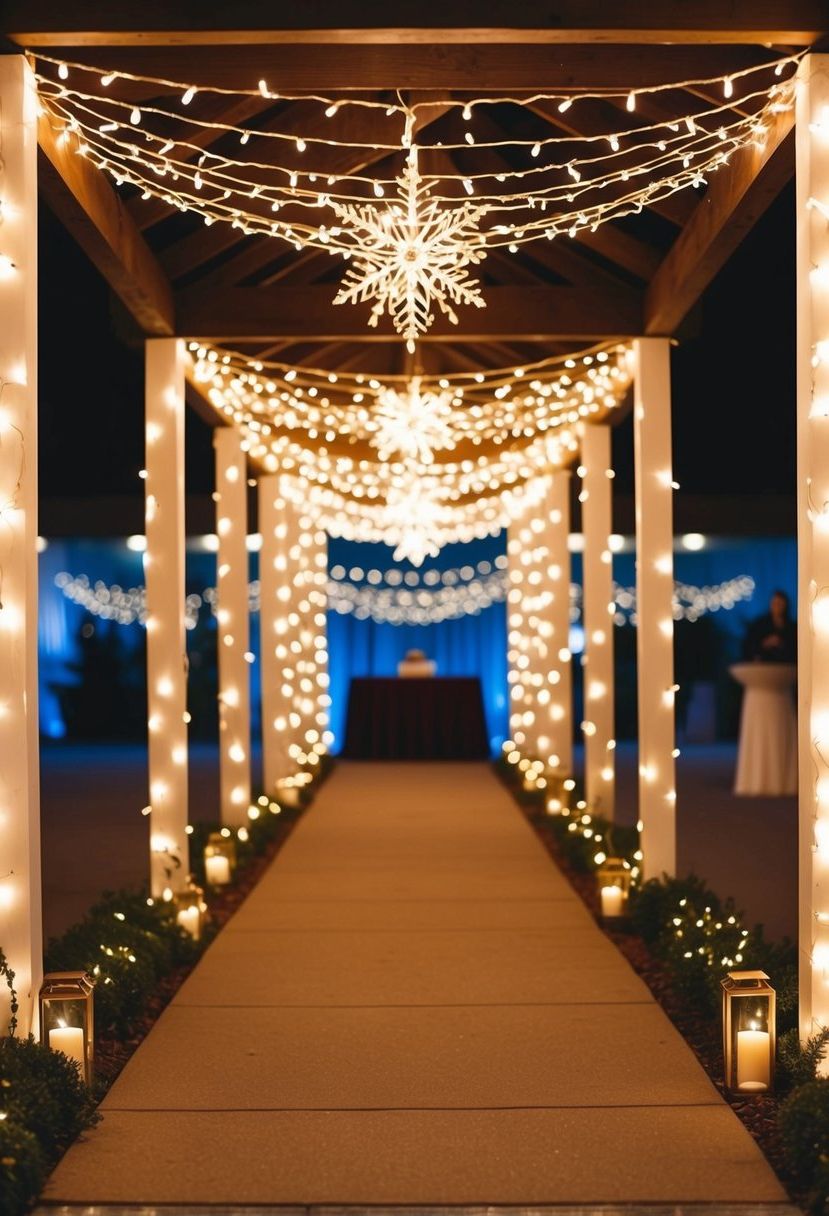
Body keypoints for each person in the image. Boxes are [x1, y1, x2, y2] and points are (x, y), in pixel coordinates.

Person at [742, 589, 796, 664]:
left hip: (785, 667)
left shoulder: (792, 627)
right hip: (765, 667)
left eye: (780, 604)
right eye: (774, 603)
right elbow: (749, 645)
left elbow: (795, 649)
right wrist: (766, 643)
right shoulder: (760, 624)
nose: (777, 607)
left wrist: (782, 644)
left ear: (785, 605)